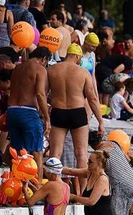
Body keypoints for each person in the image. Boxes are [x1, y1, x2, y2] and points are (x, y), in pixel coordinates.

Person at [47, 43, 104, 190]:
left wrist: (45, 112)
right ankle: (83, 193)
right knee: (81, 154)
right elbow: (92, 99)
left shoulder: (51, 70)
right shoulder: (83, 72)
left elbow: (43, 94)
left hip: (58, 112)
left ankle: (55, 189)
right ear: (77, 56)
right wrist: (100, 121)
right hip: (77, 112)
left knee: (55, 153)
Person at [7, 47, 50, 183]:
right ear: (43, 59)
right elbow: (40, 94)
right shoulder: (40, 69)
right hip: (28, 112)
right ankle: (37, 191)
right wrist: (47, 117)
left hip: (12, 111)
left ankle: (18, 188)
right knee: (37, 152)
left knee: (18, 154)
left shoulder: (17, 68)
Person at [69, 150, 114, 215]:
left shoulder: (102, 179)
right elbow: (70, 171)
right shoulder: (89, 173)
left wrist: (74, 197)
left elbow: (91, 201)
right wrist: (53, 168)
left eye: (90, 162)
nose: (87, 163)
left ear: (99, 164)